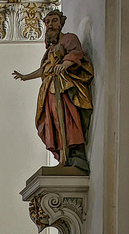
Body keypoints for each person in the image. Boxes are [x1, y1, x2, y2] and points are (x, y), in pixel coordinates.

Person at [13, 10, 94, 171]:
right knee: (53, 122)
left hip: (64, 88)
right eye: (47, 22)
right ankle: (62, 156)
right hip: (50, 90)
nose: (50, 25)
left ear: (61, 23)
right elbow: (44, 70)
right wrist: (25, 77)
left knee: (67, 119)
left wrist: (64, 65)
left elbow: (76, 53)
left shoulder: (69, 38)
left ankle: (74, 154)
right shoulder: (50, 50)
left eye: (54, 21)